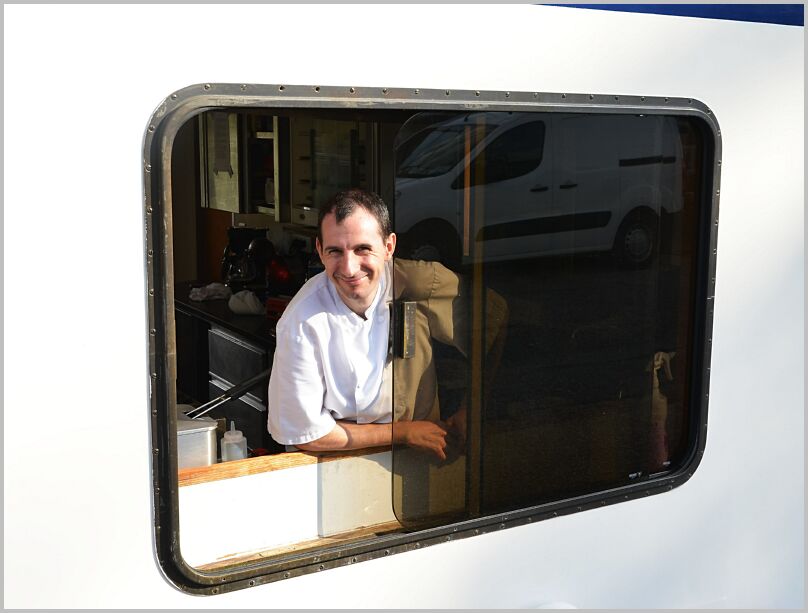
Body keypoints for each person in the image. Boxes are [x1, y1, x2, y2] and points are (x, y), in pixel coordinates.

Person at [267, 189, 507, 460]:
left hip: (417, 461)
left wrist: (470, 412)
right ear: (320, 251)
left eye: (362, 249)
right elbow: (307, 434)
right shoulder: (302, 320)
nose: (349, 268)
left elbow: (494, 319)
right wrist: (403, 432)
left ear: (389, 247)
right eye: (335, 251)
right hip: (336, 463)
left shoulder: (417, 283)